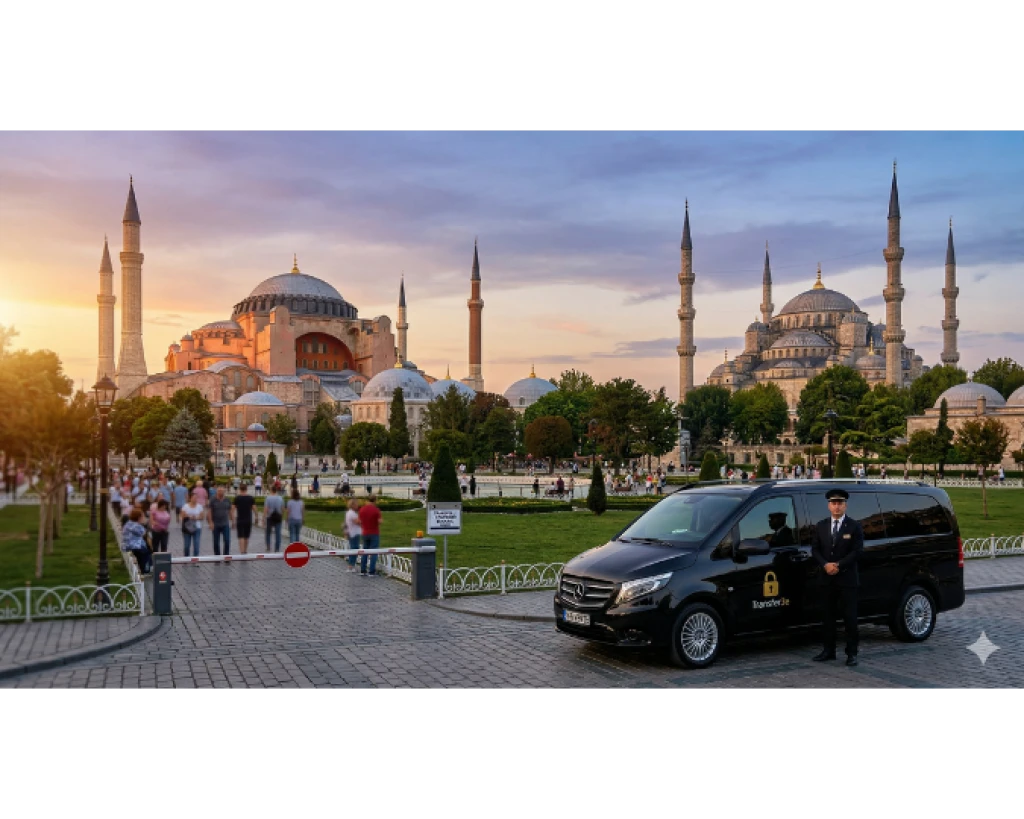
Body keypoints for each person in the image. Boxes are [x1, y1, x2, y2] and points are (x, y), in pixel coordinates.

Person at [811, 488, 865, 666]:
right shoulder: (821, 525)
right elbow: (815, 549)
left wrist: (839, 565)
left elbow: (857, 551)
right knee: (828, 617)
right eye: (833, 503)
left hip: (847, 579)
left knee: (850, 617)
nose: (837, 507)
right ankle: (828, 650)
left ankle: (852, 653)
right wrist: (825, 564)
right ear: (828, 506)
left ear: (845, 505)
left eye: (840, 503)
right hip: (827, 578)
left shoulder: (854, 526)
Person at [121, 508, 152, 575]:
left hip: (128, 547)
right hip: (136, 548)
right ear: (139, 517)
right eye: (143, 516)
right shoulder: (136, 526)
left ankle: (150, 572)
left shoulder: (128, 524)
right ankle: (147, 572)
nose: (144, 518)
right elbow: (144, 534)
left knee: (148, 554)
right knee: (148, 556)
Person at [357, 494, 382, 576]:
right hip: (374, 533)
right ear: (375, 501)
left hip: (365, 532)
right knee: (374, 552)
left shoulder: (362, 509)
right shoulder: (376, 510)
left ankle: (363, 570)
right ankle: (371, 571)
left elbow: (359, 521)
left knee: (365, 551)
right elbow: (380, 521)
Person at [207, 485, 234, 557]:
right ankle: (217, 557)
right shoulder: (212, 500)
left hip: (225, 523)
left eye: (222, 491)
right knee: (216, 542)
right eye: (219, 491)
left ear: (224, 492)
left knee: (227, 540)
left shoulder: (227, 500)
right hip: (215, 523)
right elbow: (209, 512)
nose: (220, 492)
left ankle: (226, 556)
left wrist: (233, 521)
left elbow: (230, 511)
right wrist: (210, 522)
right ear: (217, 491)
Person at [233, 482, 256, 555]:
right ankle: (245, 550)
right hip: (248, 519)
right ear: (246, 489)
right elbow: (254, 508)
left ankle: (241, 551)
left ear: (240, 489)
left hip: (240, 519)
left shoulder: (237, 498)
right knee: (246, 536)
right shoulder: (250, 498)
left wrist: (232, 518)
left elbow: (232, 509)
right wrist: (257, 516)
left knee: (241, 536)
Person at [263, 484, 284, 552]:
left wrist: (264, 518)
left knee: (268, 533)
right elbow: (282, 508)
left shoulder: (268, 498)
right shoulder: (280, 498)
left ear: (271, 490)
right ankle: (277, 548)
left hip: (270, 517)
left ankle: (268, 546)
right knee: (278, 534)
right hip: (278, 517)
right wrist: (281, 515)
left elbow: (266, 509)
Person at [344, 498, 362, 573]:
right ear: (353, 505)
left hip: (352, 532)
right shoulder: (352, 513)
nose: (358, 505)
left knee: (354, 548)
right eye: (356, 504)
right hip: (354, 533)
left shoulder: (349, 513)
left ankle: (351, 565)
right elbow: (358, 522)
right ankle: (351, 566)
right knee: (354, 549)